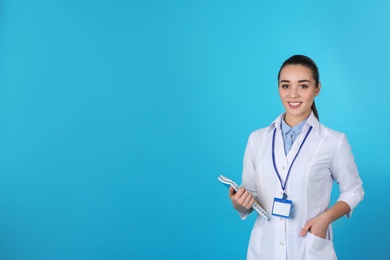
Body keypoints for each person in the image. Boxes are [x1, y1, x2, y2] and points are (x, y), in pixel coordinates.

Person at [229, 55, 364, 260]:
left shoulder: (333, 141)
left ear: (317, 89)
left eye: (303, 86)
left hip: (309, 249)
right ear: (278, 89)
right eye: (286, 86)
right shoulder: (257, 139)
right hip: (264, 250)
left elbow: (354, 190)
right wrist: (239, 203)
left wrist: (325, 219)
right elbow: (251, 194)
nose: (293, 94)